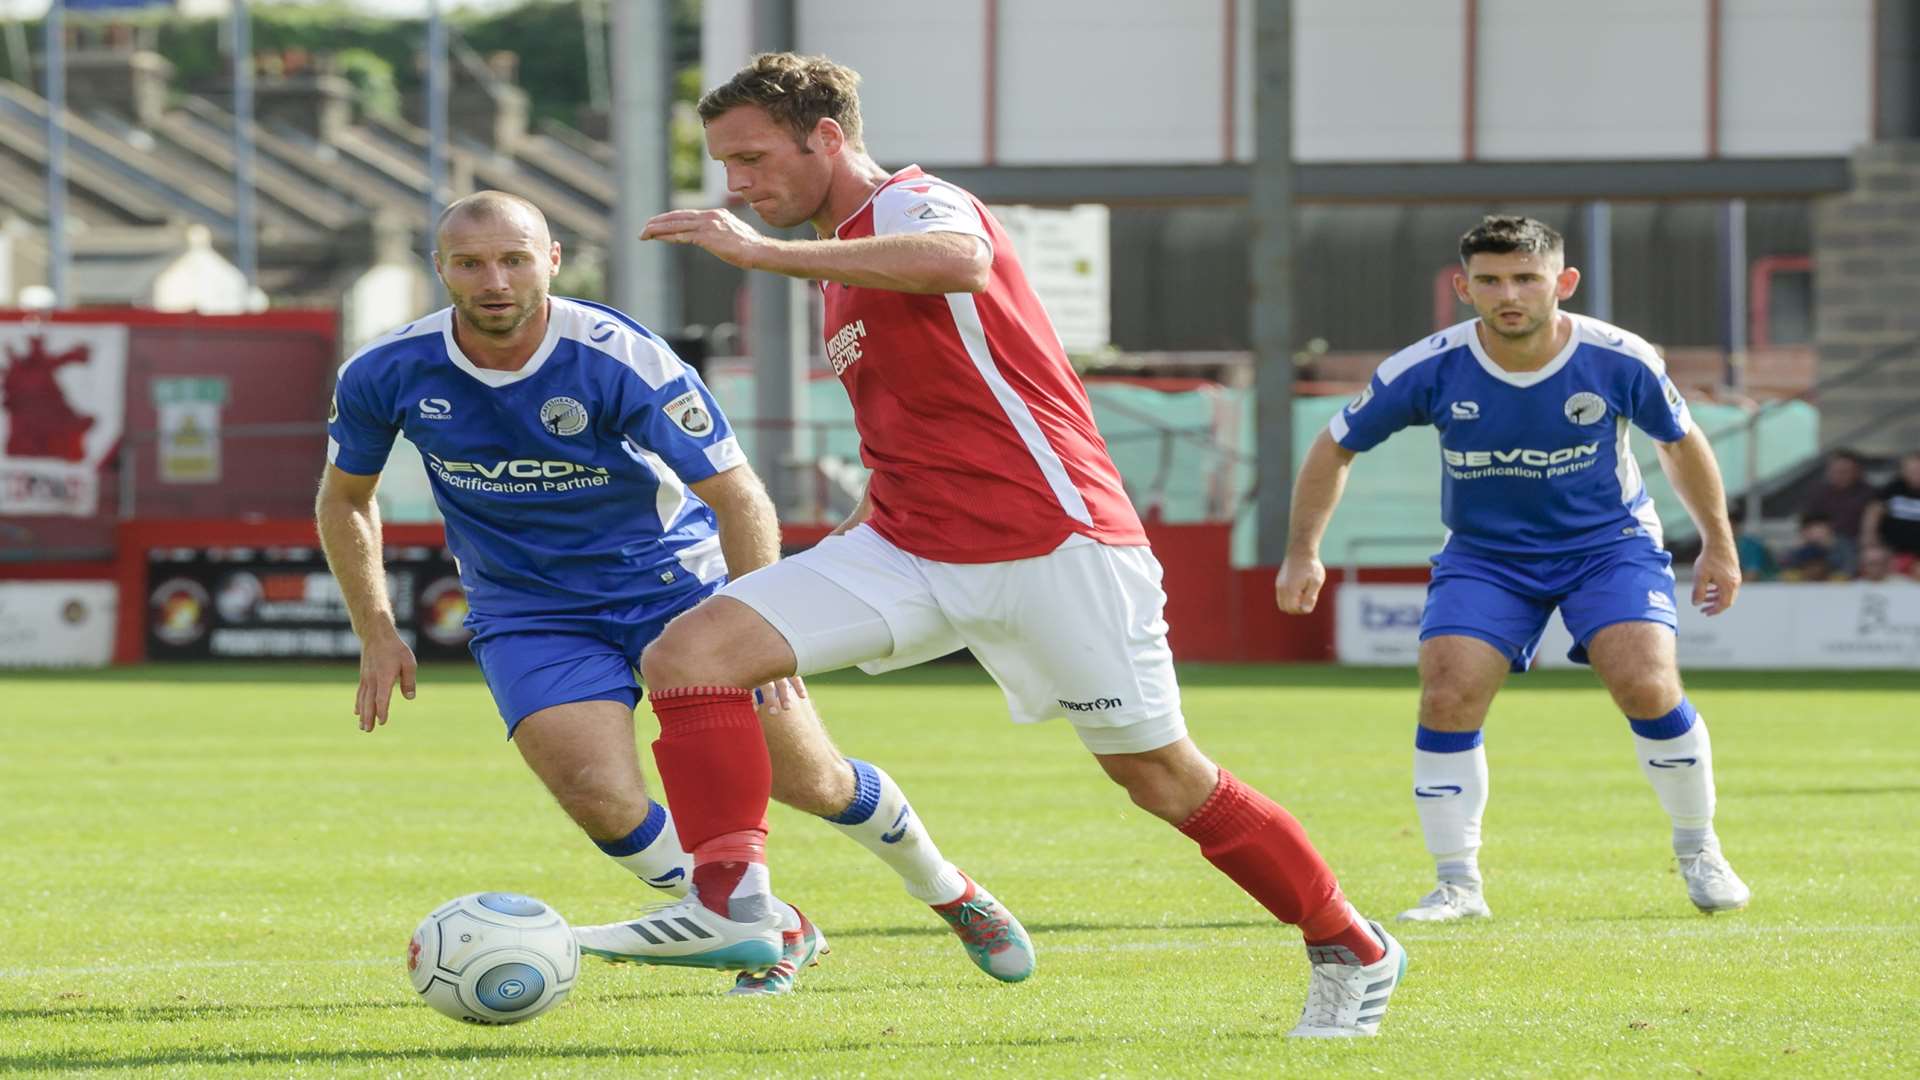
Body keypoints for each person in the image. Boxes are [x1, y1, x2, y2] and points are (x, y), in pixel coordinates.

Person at [567, 53, 1406, 1040]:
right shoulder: (839, 266)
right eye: (724, 166)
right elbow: (924, 419)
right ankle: (730, 902)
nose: (737, 186)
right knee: (691, 656)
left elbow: (959, 261)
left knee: (1160, 777)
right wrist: (854, 526)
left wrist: (764, 255)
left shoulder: (918, 204)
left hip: (1058, 544)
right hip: (910, 545)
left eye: (751, 158)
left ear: (827, 138)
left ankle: (1350, 942)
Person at [315, 190, 1033, 997]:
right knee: (596, 796)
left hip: (675, 592)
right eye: (471, 262)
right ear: (439, 268)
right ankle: (762, 921)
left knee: (811, 782)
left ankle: (946, 888)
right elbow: (344, 496)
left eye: (515, 259)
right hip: (528, 612)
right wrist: (377, 628)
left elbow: (738, 496)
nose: (495, 280)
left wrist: (764, 626)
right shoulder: (386, 370)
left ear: (550, 261)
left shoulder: (618, 354)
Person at [1276, 215, 1752, 923]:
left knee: (1646, 682)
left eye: (1527, 278)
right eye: (1491, 280)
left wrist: (1718, 541)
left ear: (1561, 283)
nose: (1510, 294)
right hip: (1486, 555)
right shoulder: (1427, 367)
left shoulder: (1618, 358)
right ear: (1463, 288)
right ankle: (1457, 883)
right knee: (1448, 692)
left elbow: (1680, 444)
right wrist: (1302, 550)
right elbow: (1335, 445)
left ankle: (1698, 848)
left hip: (1607, 544)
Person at [1861, 451, 1920, 574]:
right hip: (1893, 551)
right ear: (1903, 471)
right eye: (1912, 470)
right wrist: (1870, 537)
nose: (1916, 474)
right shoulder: (1893, 488)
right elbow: (1874, 510)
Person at [1801, 450, 1876, 547]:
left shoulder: (1869, 494)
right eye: (1835, 471)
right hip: (1822, 542)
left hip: (1855, 542)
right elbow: (1808, 522)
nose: (1839, 475)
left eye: (1845, 471)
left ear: (1857, 471)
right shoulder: (1818, 493)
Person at [1778, 512, 1855, 580]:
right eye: (1809, 530)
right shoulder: (1801, 549)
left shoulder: (1844, 547)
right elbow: (1782, 567)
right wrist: (1797, 549)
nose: (1815, 534)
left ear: (1829, 528)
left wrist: (1829, 547)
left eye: (1819, 528)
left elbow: (1849, 569)